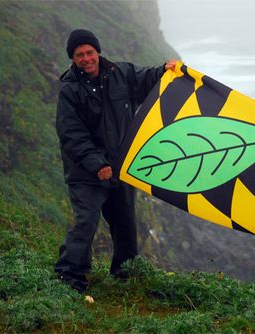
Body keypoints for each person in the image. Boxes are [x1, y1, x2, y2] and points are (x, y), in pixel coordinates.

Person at [54, 28, 177, 293]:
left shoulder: (120, 74)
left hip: (119, 167)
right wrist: (97, 164)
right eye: (79, 55)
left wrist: (165, 70)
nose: (86, 58)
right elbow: (71, 134)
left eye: (89, 52)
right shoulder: (69, 90)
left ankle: (125, 275)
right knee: (85, 223)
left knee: (125, 224)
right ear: (72, 59)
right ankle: (70, 277)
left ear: (97, 51)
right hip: (87, 173)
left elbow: (146, 78)